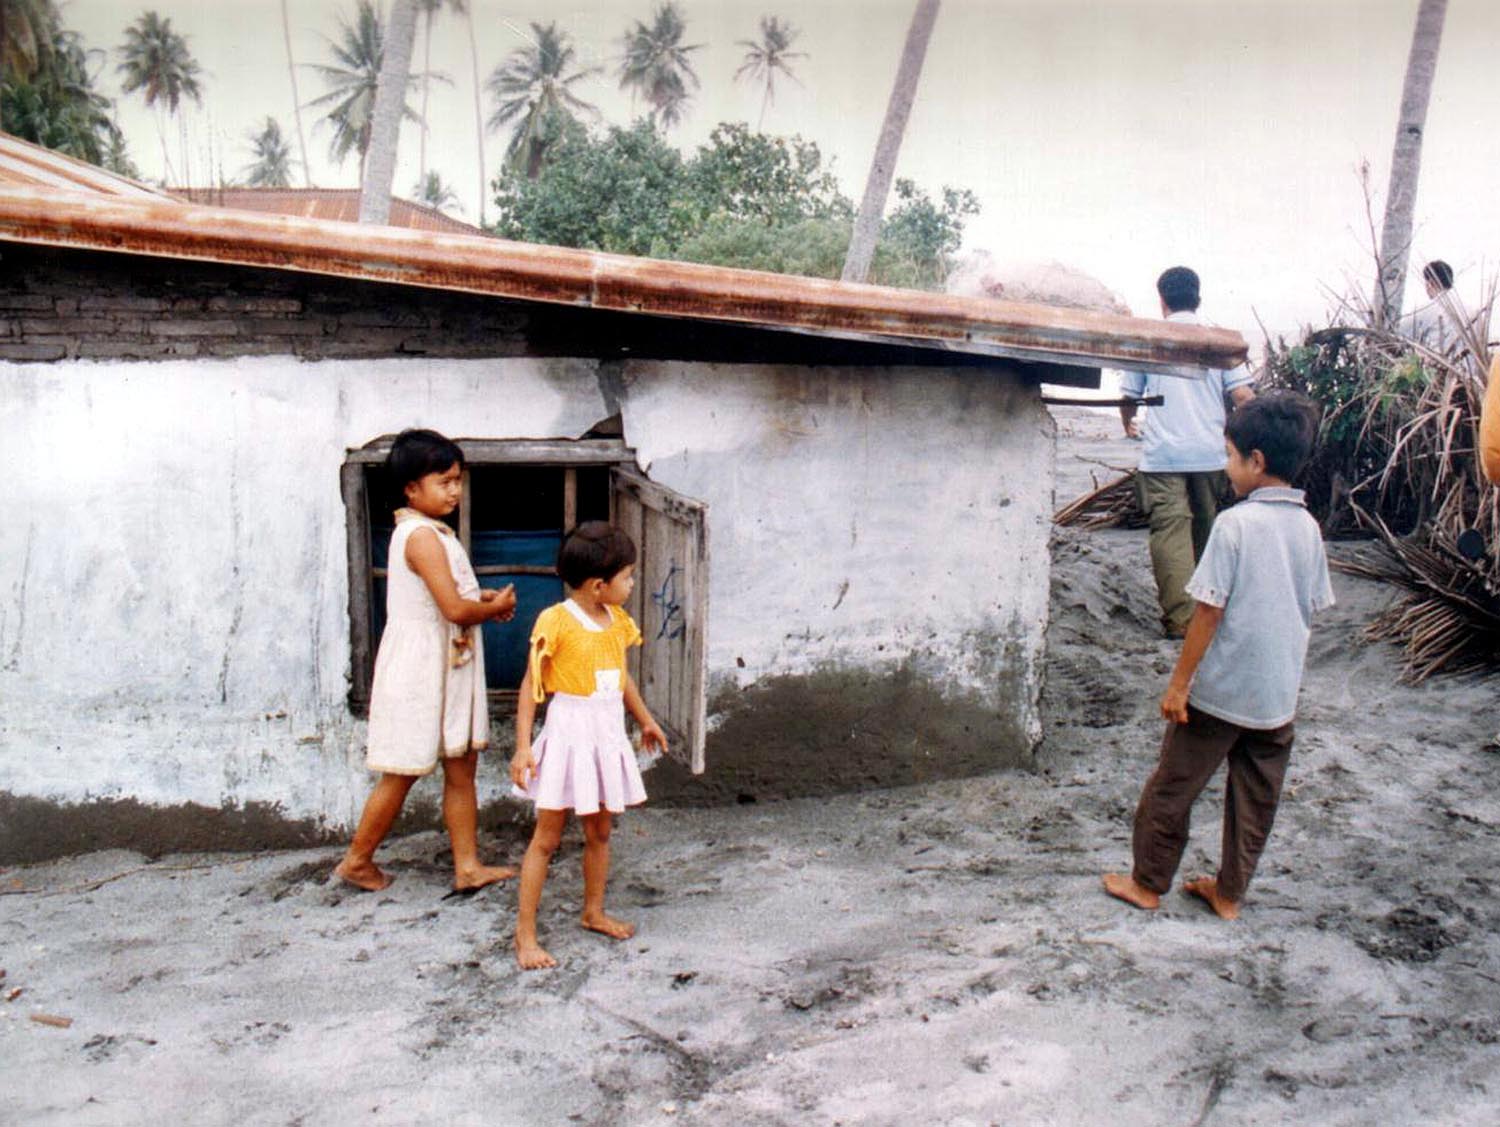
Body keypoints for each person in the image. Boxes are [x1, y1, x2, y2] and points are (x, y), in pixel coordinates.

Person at [1104, 392, 1333, 920]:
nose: (1226, 467)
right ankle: (1229, 894)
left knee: (1172, 788)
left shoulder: (1234, 526)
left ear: (1256, 461)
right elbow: (1310, 608)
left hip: (1220, 694)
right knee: (1255, 800)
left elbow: (1206, 613)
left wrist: (1179, 684)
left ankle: (1147, 883)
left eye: (1230, 455)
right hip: (1276, 699)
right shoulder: (1309, 529)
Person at [335, 429, 519, 893]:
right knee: (401, 771)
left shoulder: (435, 534)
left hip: (446, 664)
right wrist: (489, 609)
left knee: (461, 768)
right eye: (443, 481)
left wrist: (484, 598)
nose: (454, 490)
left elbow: (454, 598)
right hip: (421, 667)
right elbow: (455, 611)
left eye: (457, 480)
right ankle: (357, 860)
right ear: (411, 489)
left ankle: (467, 866)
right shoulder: (419, 537)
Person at [510, 522, 667, 970]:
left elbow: (621, 677)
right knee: (547, 837)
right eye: (629, 576)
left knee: (600, 831)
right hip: (569, 734)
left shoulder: (617, 622)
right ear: (601, 585)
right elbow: (530, 685)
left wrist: (646, 720)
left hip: (606, 734)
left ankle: (593, 910)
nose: (633, 583)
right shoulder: (556, 622)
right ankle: (525, 934)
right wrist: (524, 748)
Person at [1121, 267, 1257, 637]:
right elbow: (1243, 397)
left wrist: (1127, 421)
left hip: (1164, 456)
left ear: (1162, 300)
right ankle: (1209, 615)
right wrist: (1242, 444)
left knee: (1170, 532)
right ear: (1198, 297)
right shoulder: (1218, 341)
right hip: (1211, 455)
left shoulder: (1149, 339)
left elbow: (1129, 396)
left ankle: (1181, 621)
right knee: (1207, 533)